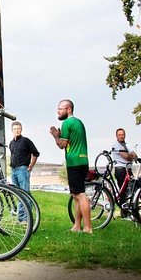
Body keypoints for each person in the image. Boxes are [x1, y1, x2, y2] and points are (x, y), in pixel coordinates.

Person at [49, 99, 92, 234]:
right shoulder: (79, 122)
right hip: (83, 160)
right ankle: (77, 226)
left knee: (80, 195)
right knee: (75, 194)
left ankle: (88, 227)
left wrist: (56, 136)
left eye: (60, 108)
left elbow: (62, 144)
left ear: (68, 110)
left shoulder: (67, 122)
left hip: (74, 162)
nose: (58, 111)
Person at [8, 121, 40, 222]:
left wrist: (31, 165)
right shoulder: (11, 143)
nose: (17, 130)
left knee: (25, 194)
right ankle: (20, 218)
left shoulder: (26, 141)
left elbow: (35, 153)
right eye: (15, 129)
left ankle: (27, 219)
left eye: (18, 128)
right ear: (12, 131)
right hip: (13, 170)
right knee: (18, 194)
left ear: (21, 129)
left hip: (22, 169)